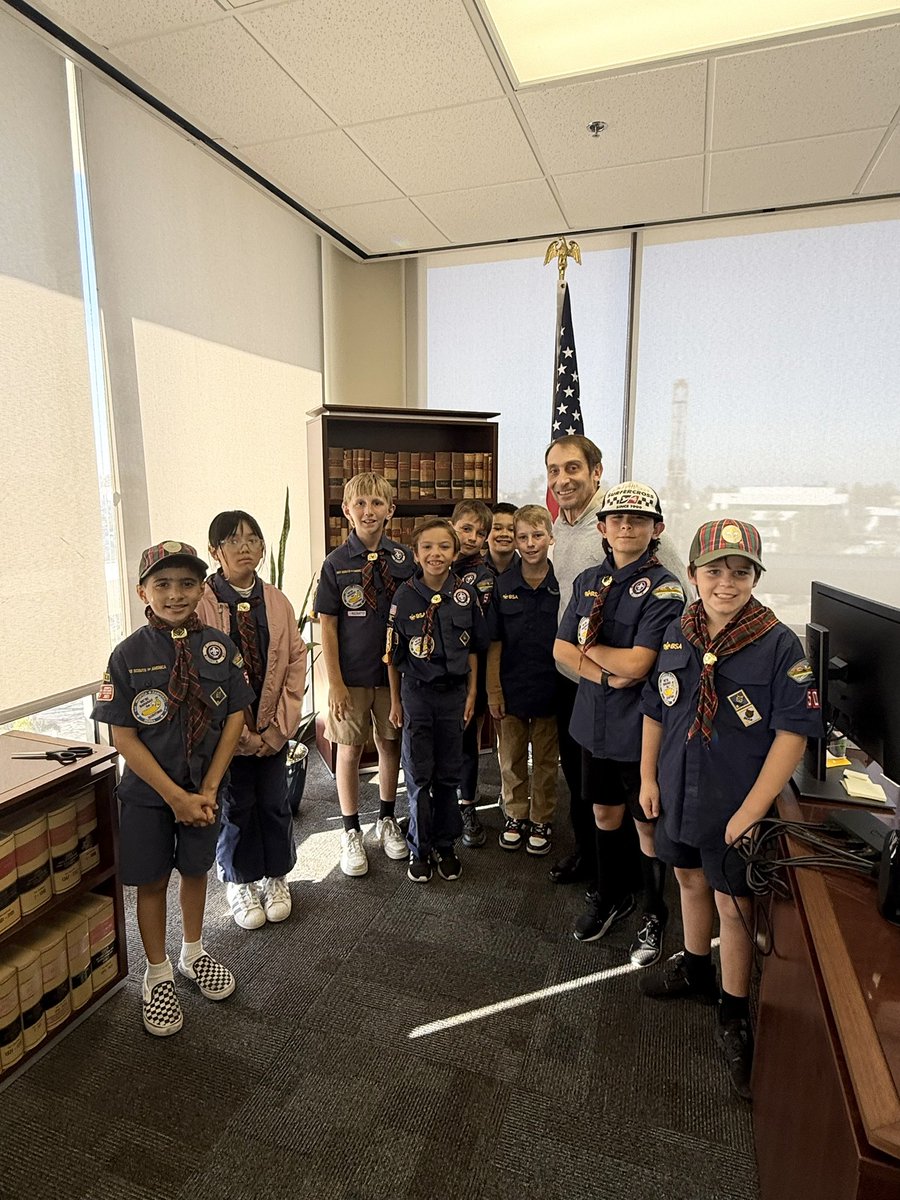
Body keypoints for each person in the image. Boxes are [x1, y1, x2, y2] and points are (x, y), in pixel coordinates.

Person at [638, 519, 822, 1100]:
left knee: (733, 902)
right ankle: (695, 965)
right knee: (688, 878)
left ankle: (733, 1007)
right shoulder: (678, 631)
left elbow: (793, 733)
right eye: (714, 570)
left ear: (755, 577)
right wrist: (647, 775)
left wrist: (753, 809)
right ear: (692, 574)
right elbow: (656, 708)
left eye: (740, 571)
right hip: (677, 790)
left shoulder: (778, 644)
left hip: (734, 801)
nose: (726, 582)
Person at [92, 541, 254, 1037]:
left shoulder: (221, 647)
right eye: (162, 584)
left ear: (202, 588)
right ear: (143, 590)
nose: (175, 594)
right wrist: (176, 797)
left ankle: (193, 951)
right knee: (153, 880)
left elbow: (234, 717)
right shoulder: (127, 655)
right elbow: (122, 735)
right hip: (149, 794)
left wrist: (204, 788)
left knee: (195, 869)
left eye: (186, 583)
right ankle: (157, 971)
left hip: (203, 790)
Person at [546, 435, 689, 888]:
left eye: (572, 468)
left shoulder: (626, 523)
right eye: (554, 470)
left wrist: (609, 667)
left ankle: (633, 886)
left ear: (596, 472)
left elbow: (672, 596)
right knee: (587, 786)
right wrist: (597, 668)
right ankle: (592, 861)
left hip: (632, 698)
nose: (562, 479)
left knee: (637, 798)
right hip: (583, 684)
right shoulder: (564, 527)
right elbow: (565, 639)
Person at [196, 511, 306, 931]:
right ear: (215, 552)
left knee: (274, 801)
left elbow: (295, 661)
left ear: (263, 548)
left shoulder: (276, 600)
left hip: (271, 726)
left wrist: (277, 728)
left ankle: (277, 877)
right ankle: (240, 881)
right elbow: (201, 675)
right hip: (226, 734)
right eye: (233, 540)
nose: (245, 547)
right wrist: (235, 732)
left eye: (253, 539)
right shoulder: (203, 605)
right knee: (235, 805)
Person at [314, 472, 416, 877]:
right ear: (346, 511)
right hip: (352, 677)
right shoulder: (335, 564)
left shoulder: (404, 560)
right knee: (350, 750)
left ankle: (387, 818)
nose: (368, 511)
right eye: (360, 504)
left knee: (390, 744)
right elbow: (328, 626)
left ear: (390, 510)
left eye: (377, 503)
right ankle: (350, 828)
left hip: (393, 677)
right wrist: (334, 682)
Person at [387, 519, 489, 882]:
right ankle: (420, 847)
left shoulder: (465, 594)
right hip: (417, 695)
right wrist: (396, 703)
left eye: (444, 547)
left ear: (455, 552)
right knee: (418, 774)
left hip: (454, 695)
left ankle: (445, 846)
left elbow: (476, 650)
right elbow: (394, 657)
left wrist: (473, 693)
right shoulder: (403, 597)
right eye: (427, 547)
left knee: (449, 774)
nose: (436, 554)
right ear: (415, 554)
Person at [486, 504, 560, 856]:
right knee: (511, 756)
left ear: (551, 537)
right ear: (514, 541)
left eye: (537, 535)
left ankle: (542, 816)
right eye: (523, 537)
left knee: (546, 759)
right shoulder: (503, 586)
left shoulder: (562, 585)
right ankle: (515, 814)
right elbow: (495, 643)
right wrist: (493, 691)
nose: (531, 543)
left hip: (550, 686)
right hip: (511, 687)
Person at [450, 499, 496, 848]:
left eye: (481, 533)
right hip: (429, 672)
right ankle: (435, 805)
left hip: (469, 671)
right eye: (466, 528)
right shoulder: (429, 562)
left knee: (467, 740)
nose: (473, 538)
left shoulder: (483, 576)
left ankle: (467, 805)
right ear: (452, 526)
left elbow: (480, 636)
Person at [485, 502, 518, 575]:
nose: (504, 534)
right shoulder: (473, 569)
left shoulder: (528, 570)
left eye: (511, 529)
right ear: (485, 533)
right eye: (497, 528)